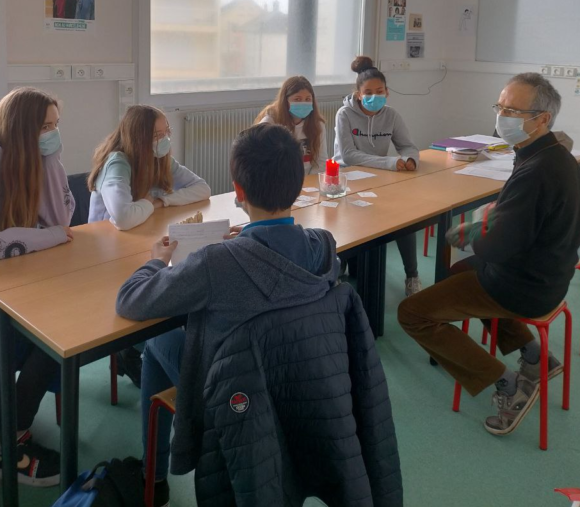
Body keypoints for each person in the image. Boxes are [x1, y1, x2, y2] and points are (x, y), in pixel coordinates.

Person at [115, 124, 347, 506]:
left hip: (233, 397)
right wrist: (246, 242)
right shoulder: (322, 247)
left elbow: (131, 301)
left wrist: (156, 261)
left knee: (157, 339)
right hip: (300, 386)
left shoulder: (216, 263)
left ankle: (153, 477)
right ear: (299, 184)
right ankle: (153, 475)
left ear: (238, 192)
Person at [398, 73, 580, 436]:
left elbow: (496, 246)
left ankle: (506, 384)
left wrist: (472, 231)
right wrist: (496, 219)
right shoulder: (557, 156)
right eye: (500, 106)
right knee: (456, 275)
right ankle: (534, 355)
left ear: (542, 118)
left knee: (412, 313)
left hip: (524, 286)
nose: (502, 116)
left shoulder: (537, 170)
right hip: (551, 275)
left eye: (513, 109)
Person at [88, 104, 210, 388]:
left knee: (179, 287)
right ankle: (133, 347)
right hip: (106, 259)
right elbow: (122, 216)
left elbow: (202, 188)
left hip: (143, 245)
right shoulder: (118, 161)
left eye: (166, 131)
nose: (165, 138)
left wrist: (161, 201)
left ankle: (143, 349)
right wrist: (153, 203)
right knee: (160, 296)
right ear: (139, 136)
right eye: (158, 134)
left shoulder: (160, 158)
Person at [0, 87, 76, 486]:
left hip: (29, 283)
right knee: (38, 341)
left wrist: (49, 162)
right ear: (20, 130)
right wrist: (46, 237)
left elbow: (61, 219)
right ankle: (9, 443)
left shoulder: (45, 162)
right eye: (44, 127)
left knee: (59, 334)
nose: (53, 134)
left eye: (55, 126)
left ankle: (11, 425)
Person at [334, 55, 422, 296]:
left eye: (380, 91)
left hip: (381, 179)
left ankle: (412, 275)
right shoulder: (344, 114)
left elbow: (408, 145)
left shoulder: (391, 115)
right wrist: (393, 163)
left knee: (406, 218)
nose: (375, 96)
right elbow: (350, 156)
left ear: (387, 92)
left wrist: (411, 159)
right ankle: (339, 268)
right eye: (369, 92)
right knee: (349, 226)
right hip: (347, 180)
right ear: (359, 94)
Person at [256, 76, 328, 175]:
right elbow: (257, 153)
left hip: (308, 180)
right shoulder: (272, 119)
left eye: (308, 99)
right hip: (280, 180)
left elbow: (321, 161)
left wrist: (309, 181)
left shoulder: (318, 124)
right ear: (285, 101)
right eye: (297, 99)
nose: (303, 103)